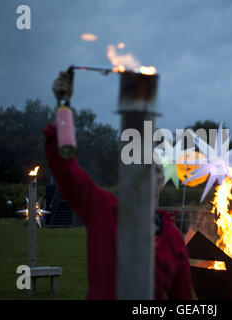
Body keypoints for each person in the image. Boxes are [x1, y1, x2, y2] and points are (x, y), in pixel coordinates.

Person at [44, 70, 193, 299]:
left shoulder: (172, 239)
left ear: (161, 180)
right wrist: (63, 104)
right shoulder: (103, 209)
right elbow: (67, 170)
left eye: (149, 169)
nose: (141, 175)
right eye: (135, 168)